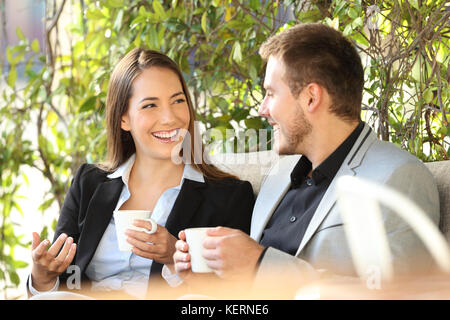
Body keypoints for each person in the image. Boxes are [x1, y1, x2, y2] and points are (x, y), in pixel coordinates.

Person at [173, 23, 440, 296]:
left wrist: (261, 264)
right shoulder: (279, 174)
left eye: (271, 93)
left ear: (311, 97)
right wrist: (209, 276)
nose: (262, 109)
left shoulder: (399, 178)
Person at [27, 48, 255, 299]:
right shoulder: (88, 183)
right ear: (124, 118)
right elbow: (62, 281)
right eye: (150, 105)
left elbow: (238, 293)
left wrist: (173, 256)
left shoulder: (229, 196)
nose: (169, 118)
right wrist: (42, 278)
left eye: (178, 101)